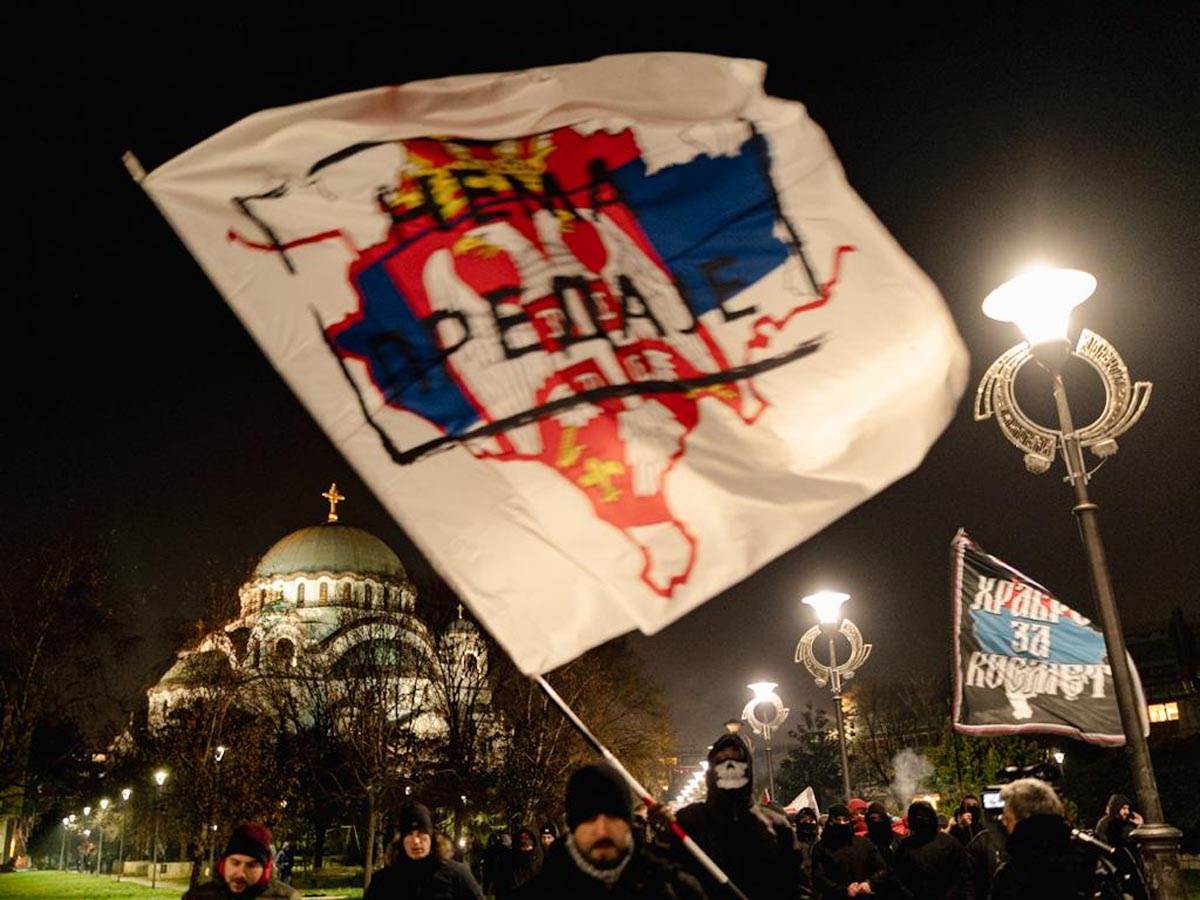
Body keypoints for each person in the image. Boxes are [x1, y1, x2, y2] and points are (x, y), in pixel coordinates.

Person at [516, 762, 706, 899]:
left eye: (613, 815)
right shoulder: (540, 892)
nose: (602, 830)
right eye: (589, 817)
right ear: (573, 825)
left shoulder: (674, 889)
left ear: (628, 821)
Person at [673, 733, 807, 898]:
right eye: (721, 761)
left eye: (736, 761)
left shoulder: (777, 826)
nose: (729, 768)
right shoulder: (689, 821)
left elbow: (796, 886)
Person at [987, 778, 1094, 900]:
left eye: (1008, 818)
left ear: (1023, 819)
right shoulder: (1084, 862)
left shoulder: (1011, 877)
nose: (1004, 824)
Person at [364, 802, 483, 900]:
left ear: (432, 837)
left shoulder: (457, 875)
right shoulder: (383, 881)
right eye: (409, 834)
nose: (416, 841)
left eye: (421, 833)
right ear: (401, 839)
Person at [183, 823, 300, 899]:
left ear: (265, 870)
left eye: (251, 865)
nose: (240, 873)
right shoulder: (198, 897)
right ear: (224, 864)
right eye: (235, 863)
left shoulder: (286, 898)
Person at [892, 800, 967, 899]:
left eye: (923, 816)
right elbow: (897, 877)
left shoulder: (949, 843)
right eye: (917, 816)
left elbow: (962, 873)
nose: (920, 819)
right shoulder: (904, 846)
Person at [811, 804, 886, 899]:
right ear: (830, 821)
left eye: (845, 820)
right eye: (838, 820)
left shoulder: (864, 843)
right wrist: (843, 890)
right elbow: (818, 877)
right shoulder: (821, 848)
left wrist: (869, 883)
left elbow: (882, 868)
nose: (842, 823)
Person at [1094, 794, 1147, 900]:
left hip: (1129, 869)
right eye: (1123, 808)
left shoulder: (1126, 824)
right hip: (1118, 871)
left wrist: (1140, 825)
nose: (1127, 812)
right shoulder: (1106, 824)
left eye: (1128, 808)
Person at [494, 825, 543, 898]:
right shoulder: (508, 860)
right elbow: (501, 886)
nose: (524, 841)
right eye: (522, 838)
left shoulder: (541, 861)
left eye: (527, 838)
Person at [864, 803, 899, 868]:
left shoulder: (897, 839)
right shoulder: (864, 842)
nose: (877, 821)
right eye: (873, 818)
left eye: (881, 818)